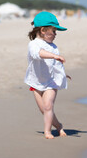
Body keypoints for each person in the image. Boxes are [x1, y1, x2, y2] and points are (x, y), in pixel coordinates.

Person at [24, 11, 71, 139]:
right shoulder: (33, 44)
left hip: (51, 81)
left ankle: (47, 132)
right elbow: (38, 53)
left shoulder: (54, 46)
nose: (55, 34)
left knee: (48, 105)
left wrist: (62, 75)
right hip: (36, 81)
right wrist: (54, 56)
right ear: (43, 30)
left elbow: (54, 66)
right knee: (44, 110)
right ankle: (59, 126)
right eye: (54, 31)